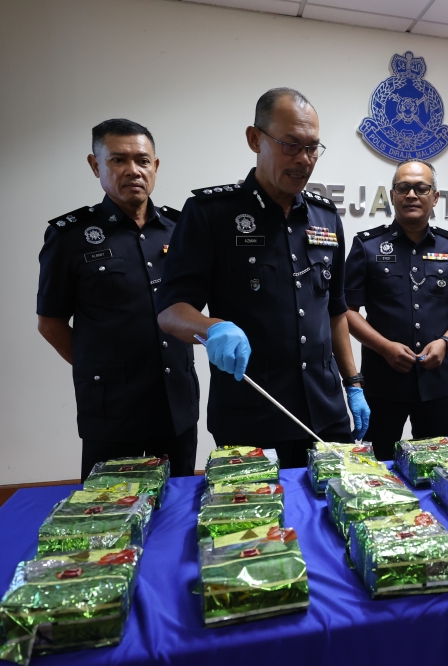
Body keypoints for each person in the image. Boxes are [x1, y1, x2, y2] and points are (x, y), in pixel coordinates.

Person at [156, 88, 369, 468]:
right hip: (251, 415)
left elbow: (335, 310)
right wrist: (212, 326)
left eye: (313, 147)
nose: (304, 160)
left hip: (325, 413)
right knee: (256, 525)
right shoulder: (211, 214)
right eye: (291, 145)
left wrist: (353, 384)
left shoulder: (325, 217)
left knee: (332, 519)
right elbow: (171, 311)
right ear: (255, 139)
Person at [37, 119, 199, 480]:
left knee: (176, 508)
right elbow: (50, 323)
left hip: (176, 403)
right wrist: (99, 369)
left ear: (155, 167)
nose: (133, 170)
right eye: (118, 160)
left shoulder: (180, 228)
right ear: (96, 166)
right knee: (110, 518)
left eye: (142, 160)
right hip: (112, 412)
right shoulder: (70, 237)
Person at [344, 159, 448, 460]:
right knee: (377, 464)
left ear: (435, 196)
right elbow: (347, 311)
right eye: (403, 188)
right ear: (392, 195)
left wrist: (446, 343)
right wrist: (385, 347)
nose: (412, 195)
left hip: (437, 384)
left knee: (435, 465)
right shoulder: (367, 247)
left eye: (421, 188)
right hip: (382, 382)